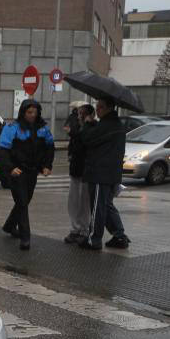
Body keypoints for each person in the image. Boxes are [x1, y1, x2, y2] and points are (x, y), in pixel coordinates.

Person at [0, 99, 55, 250]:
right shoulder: (12, 128)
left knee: (25, 200)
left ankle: (9, 226)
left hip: (32, 170)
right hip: (17, 171)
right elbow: (2, 150)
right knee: (22, 202)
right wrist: (10, 168)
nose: (32, 115)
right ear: (23, 112)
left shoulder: (42, 128)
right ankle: (25, 237)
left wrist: (47, 166)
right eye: (29, 112)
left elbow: (49, 147)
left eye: (35, 112)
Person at [79, 96, 130, 250]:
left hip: (100, 172)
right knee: (106, 205)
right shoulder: (115, 124)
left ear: (108, 108)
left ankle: (93, 239)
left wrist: (87, 124)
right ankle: (119, 236)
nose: (97, 110)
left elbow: (88, 139)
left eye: (100, 107)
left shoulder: (108, 124)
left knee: (98, 207)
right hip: (111, 172)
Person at [63, 104, 93, 243]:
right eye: (79, 113)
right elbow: (74, 143)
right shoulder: (78, 128)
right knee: (74, 200)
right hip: (75, 169)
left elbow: (86, 142)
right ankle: (75, 228)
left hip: (86, 170)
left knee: (84, 201)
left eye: (82, 114)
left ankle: (84, 229)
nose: (79, 116)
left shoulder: (91, 128)